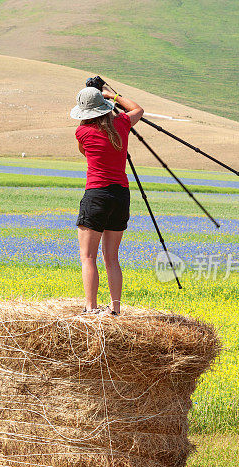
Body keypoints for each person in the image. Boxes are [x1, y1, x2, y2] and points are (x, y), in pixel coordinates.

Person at [70, 85, 144, 315]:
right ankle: (115, 308)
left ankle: (91, 308)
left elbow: (84, 152)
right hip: (121, 195)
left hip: (97, 194)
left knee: (88, 256)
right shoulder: (122, 124)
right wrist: (112, 96)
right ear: (105, 108)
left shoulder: (82, 133)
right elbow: (138, 109)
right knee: (111, 257)